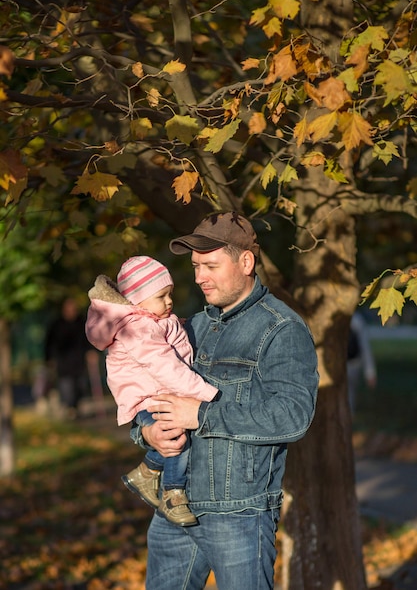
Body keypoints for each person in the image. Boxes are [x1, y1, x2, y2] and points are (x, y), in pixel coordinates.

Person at [133, 211, 319, 590]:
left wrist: (201, 415)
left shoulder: (281, 329)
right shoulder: (190, 327)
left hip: (238, 514)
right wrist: (146, 432)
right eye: (196, 266)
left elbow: (293, 416)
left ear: (246, 262)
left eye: (210, 265)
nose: (199, 276)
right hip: (173, 508)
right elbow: (146, 388)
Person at [85, 256, 218, 527]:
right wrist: (206, 395)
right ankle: (172, 493)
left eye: (170, 294)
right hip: (148, 397)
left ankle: (148, 470)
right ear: (137, 300)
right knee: (176, 434)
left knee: (174, 435)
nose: (169, 301)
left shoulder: (153, 320)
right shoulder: (138, 329)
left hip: (156, 393)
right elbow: (166, 367)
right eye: (161, 296)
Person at [44, 297, 96, 418]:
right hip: (64, 363)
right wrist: (49, 358)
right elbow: (50, 343)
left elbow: (88, 339)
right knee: (66, 387)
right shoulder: (57, 324)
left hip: (79, 362)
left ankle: (75, 407)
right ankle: (70, 409)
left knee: (80, 386)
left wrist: (91, 352)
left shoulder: (81, 322)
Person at [347, 311, 377, 412]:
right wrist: (370, 373)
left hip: (350, 364)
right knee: (349, 394)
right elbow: (365, 348)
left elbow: (365, 348)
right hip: (353, 364)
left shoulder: (356, 320)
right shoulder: (357, 320)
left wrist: (370, 373)